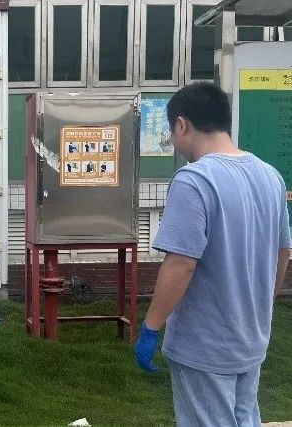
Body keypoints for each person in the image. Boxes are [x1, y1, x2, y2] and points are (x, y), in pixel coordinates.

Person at [134, 82, 290, 426]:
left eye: (171, 131)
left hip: (204, 344)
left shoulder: (194, 180)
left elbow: (180, 263)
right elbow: (283, 253)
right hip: (252, 337)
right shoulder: (271, 177)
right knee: (245, 419)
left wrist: (151, 327)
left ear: (182, 125)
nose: (173, 141)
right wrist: (262, 306)